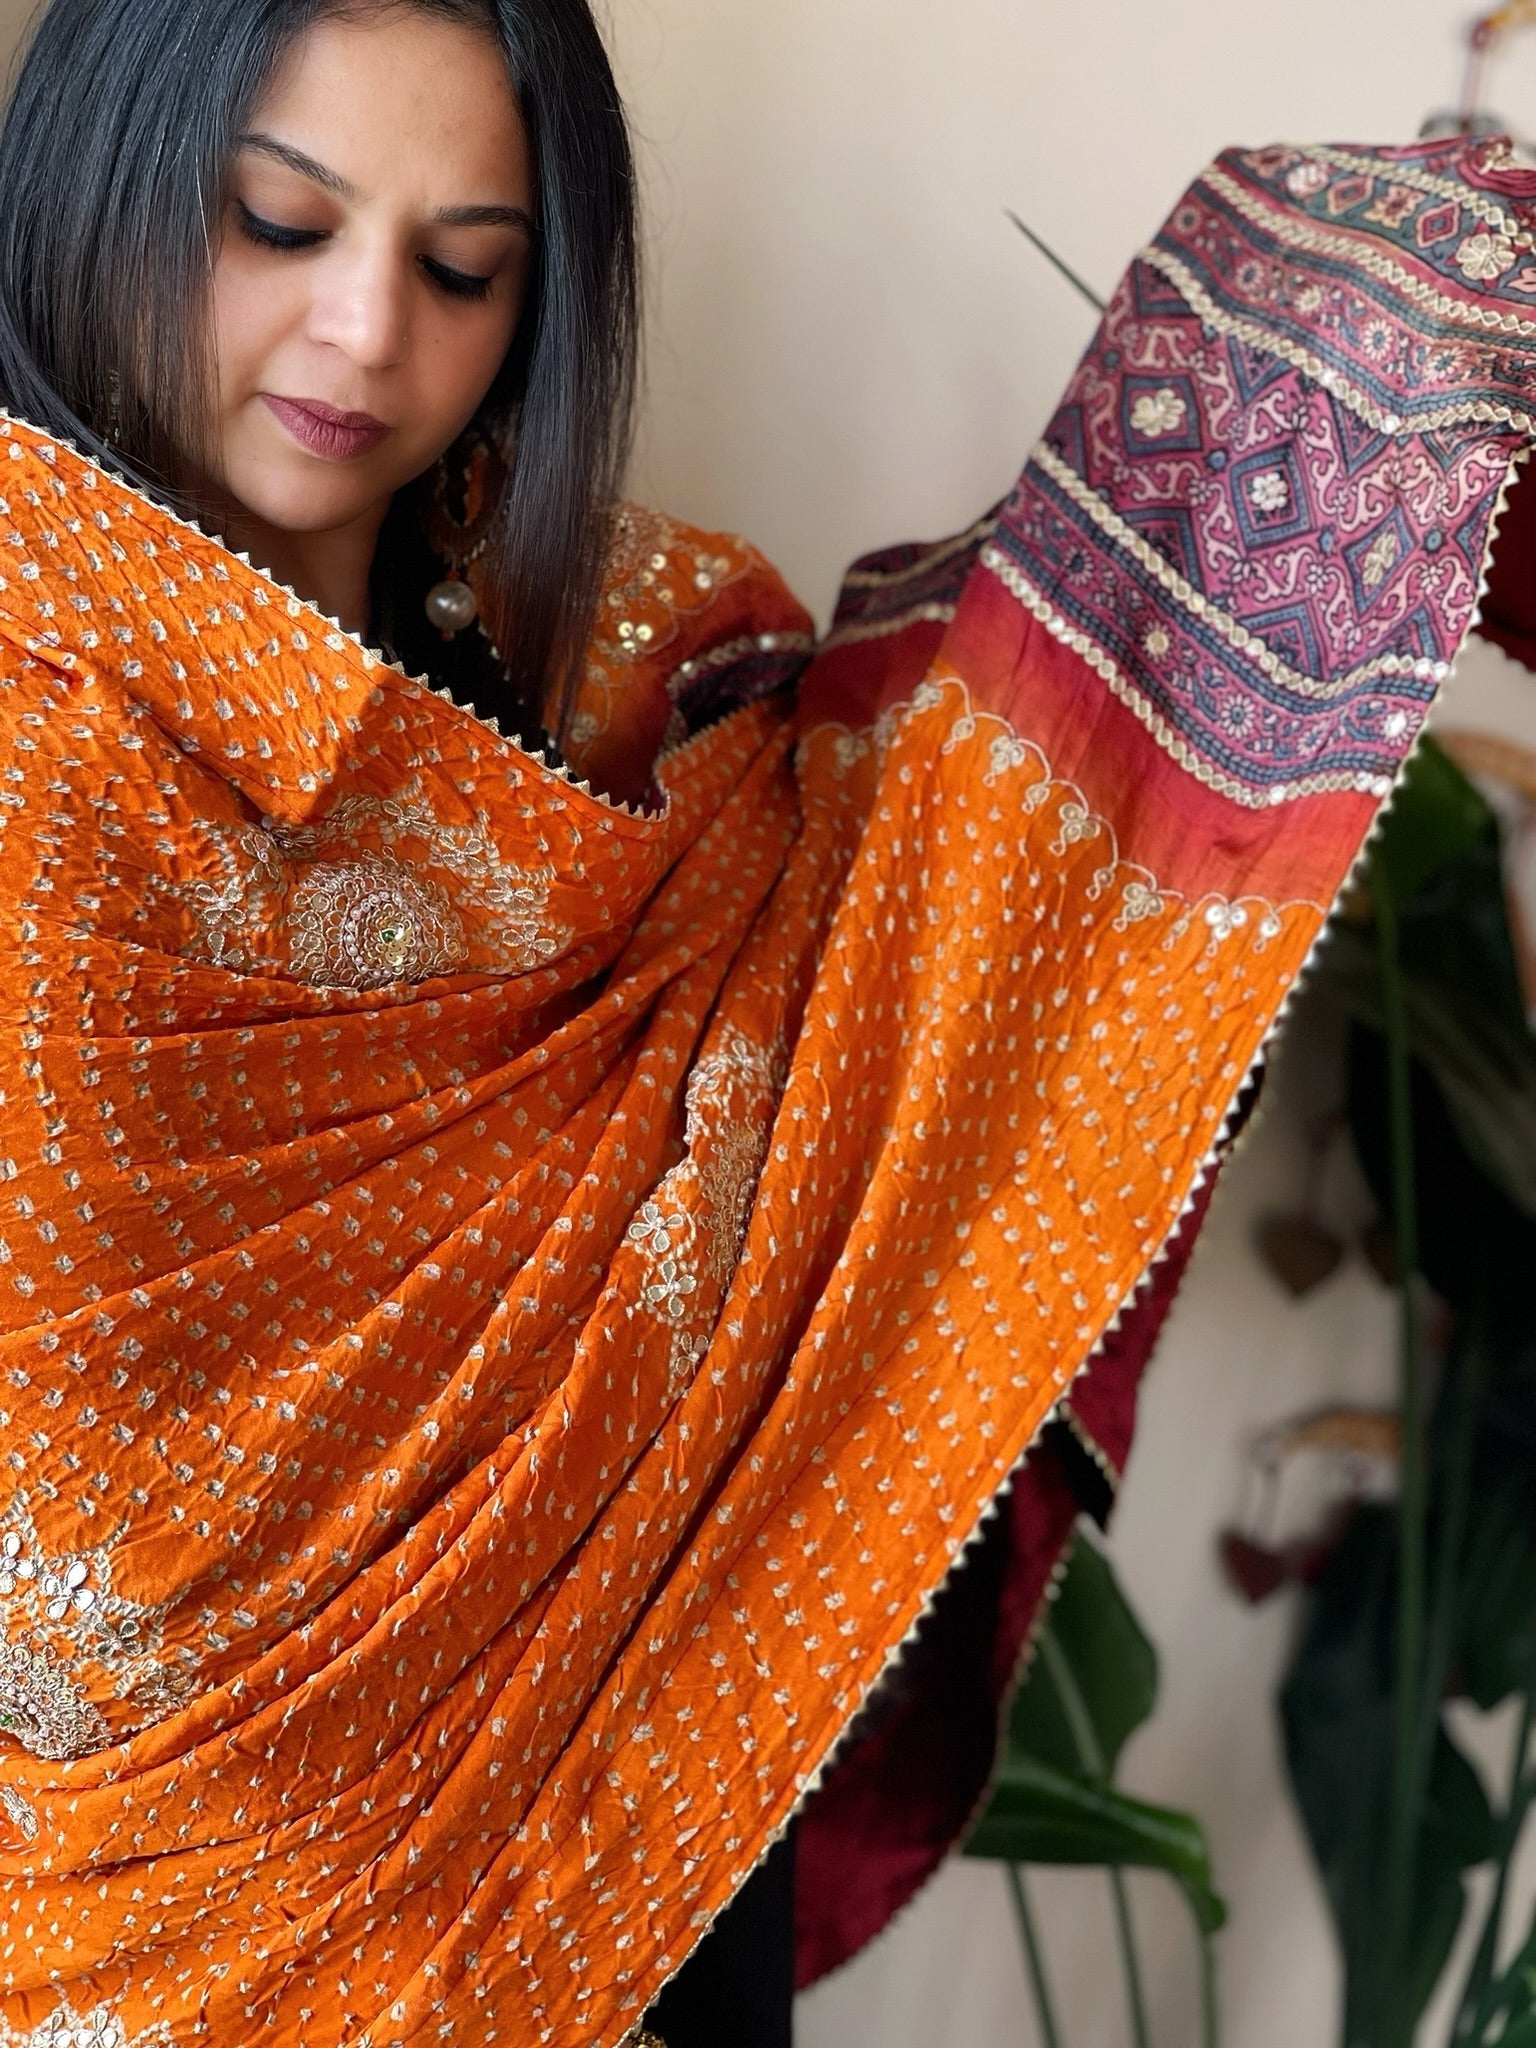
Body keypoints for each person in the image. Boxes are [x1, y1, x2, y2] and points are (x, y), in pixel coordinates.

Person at [0, 3, 1528, 2043]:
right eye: (274, 223)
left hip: (627, 1835)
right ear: (94, 166)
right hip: (116, 1939)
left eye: (465, 266)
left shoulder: (666, 708)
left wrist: (1367, 335)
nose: (366, 331)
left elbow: (949, 982)